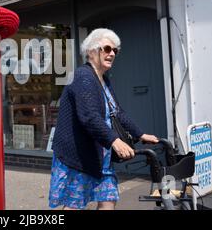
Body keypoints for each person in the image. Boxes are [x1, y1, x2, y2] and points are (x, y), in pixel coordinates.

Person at [48, 28, 159, 210]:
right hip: (79, 157)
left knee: (108, 200)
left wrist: (140, 134)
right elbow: (89, 116)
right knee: (75, 205)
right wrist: (114, 140)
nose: (112, 53)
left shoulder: (103, 80)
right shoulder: (83, 76)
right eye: (107, 48)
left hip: (101, 157)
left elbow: (118, 113)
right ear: (92, 51)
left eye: (115, 50)